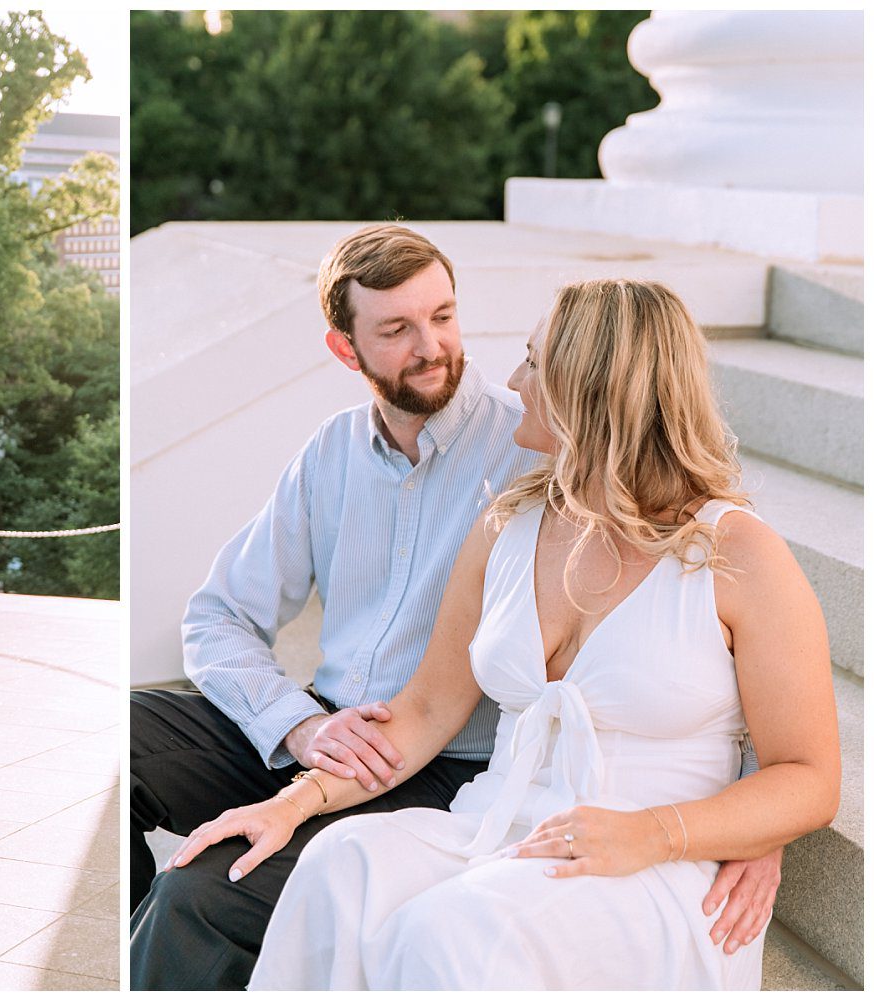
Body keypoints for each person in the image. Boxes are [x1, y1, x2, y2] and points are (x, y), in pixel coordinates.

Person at [129, 226, 785, 989]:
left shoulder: (535, 451)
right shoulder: (347, 458)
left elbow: (713, 669)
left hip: (453, 764)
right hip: (344, 728)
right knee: (121, 738)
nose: (435, 345)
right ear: (347, 350)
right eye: (398, 329)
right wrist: (299, 734)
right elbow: (222, 620)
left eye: (443, 315)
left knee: (200, 893)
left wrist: (755, 822)